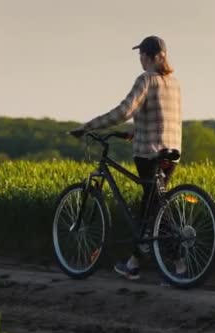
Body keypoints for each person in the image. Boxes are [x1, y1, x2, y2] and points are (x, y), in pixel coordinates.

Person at [69, 35, 184, 280]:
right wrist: (136, 131)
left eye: (141, 55)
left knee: (154, 208)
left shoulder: (145, 80)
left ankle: (180, 266)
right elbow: (160, 116)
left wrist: (89, 126)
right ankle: (133, 264)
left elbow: (125, 110)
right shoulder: (173, 83)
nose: (140, 60)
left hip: (149, 152)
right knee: (151, 207)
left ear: (150, 57)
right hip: (171, 152)